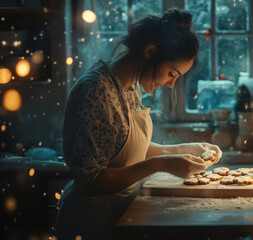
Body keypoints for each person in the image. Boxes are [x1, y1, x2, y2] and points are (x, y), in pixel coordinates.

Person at [55, 8, 222, 239]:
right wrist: (161, 164)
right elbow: (90, 182)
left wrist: (186, 149)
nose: (171, 84)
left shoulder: (130, 87)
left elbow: (127, 151)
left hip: (120, 214)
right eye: (172, 73)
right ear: (150, 52)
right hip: (90, 220)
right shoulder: (92, 91)